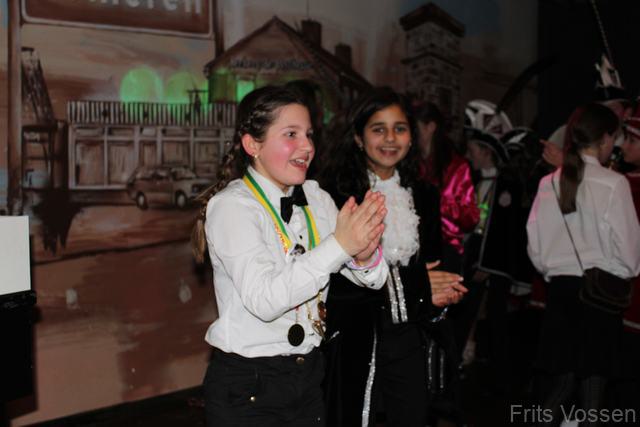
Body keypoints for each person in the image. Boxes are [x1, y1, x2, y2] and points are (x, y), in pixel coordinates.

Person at [191, 85, 390, 427]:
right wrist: (340, 245)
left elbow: (374, 279)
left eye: (309, 134)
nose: (307, 146)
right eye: (291, 134)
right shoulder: (232, 207)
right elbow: (265, 300)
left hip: (308, 373)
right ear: (253, 145)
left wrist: (364, 255)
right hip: (249, 384)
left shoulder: (315, 197)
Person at [317, 87, 467, 427]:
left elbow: (431, 266)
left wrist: (443, 290)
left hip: (409, 335)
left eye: (399, 128)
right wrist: (419, 286)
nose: (390, 138)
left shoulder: (425, 194)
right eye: (378, 129)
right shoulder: (336, 195)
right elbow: (333, 278)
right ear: (359, 138)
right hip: (357, 336)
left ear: (411, 137)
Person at [527, 103, 640, 427]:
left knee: (561, 384)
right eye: (614, 139)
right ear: (604, 139)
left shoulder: (548, 182)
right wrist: (615, 270)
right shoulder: (614, 183)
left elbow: (535, 248)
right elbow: (630, 257)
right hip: (598, 296)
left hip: (561, 294)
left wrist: (555, 271)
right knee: (592, 392)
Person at [414, 101, 479, 274]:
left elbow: (471, 218)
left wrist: (441, 203)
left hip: (447, 248)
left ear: (430, 127)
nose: (411, 134)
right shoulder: (412, 164)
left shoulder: (457, 166)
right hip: (415, 246)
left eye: (415, 128)